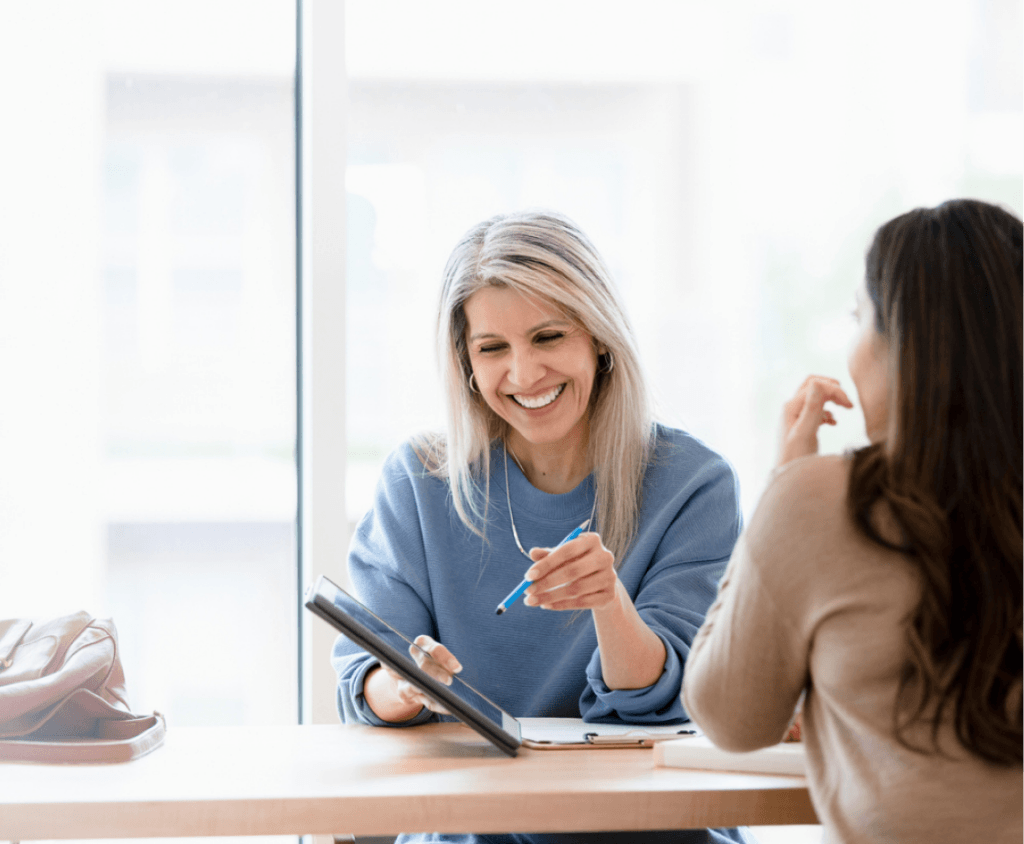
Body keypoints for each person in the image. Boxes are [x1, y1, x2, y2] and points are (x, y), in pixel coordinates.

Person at [333, 210, 755, 844]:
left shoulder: (693, 484)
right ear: (466, 365)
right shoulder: (418, 482)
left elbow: (671, 701)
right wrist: (402, 684)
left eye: (549, 337)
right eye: (493, 348)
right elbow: (360, 683)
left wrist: (609, 602)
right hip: (471, 833)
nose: (525, 375)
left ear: (599, 338)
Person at [682, 199, 1023, 843]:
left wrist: (783, 486)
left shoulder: (819, 500)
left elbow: (731, 718)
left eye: (858, 319)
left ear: (906, 345)